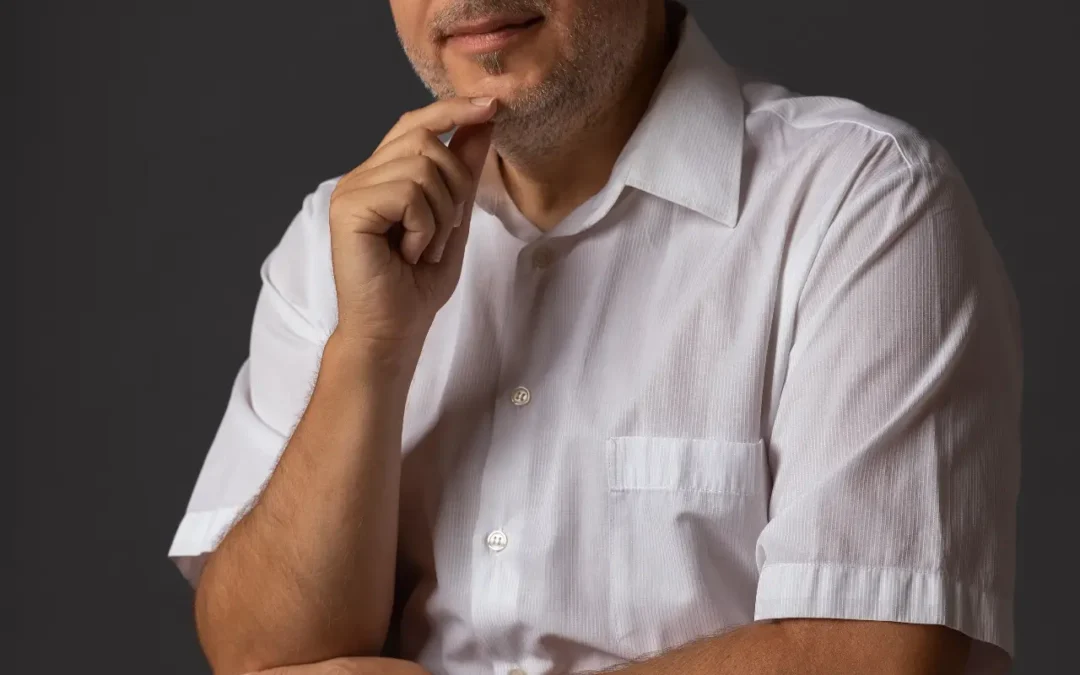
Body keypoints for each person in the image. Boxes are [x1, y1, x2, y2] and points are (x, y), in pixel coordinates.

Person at [169, 1, 1022, 673]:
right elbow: (258, 651)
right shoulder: (340, 235)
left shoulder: (863, 203)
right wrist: (369, 352)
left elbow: (874, 654)